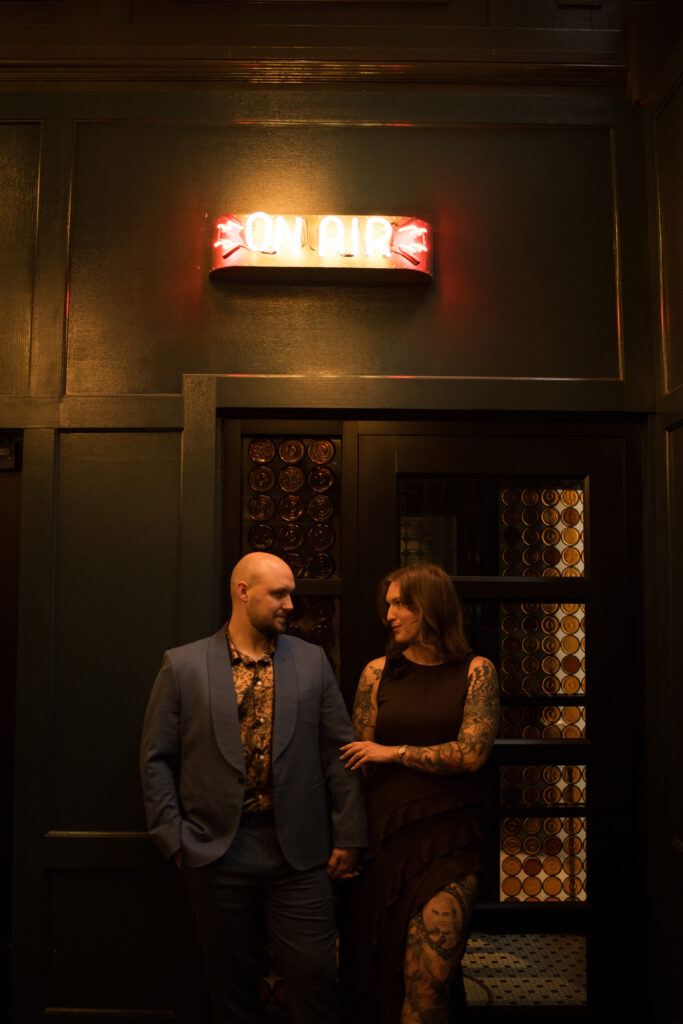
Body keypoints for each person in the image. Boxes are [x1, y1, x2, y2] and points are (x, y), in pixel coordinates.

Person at [140, 551, 366, 1024]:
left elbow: (338, 752)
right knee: (228, 990)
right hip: (215, 850)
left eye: (291, 594)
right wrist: (173, 839)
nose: (290, 604)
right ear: (243, 592)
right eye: (279, 594)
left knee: (317, 980)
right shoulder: (183, 666)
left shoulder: (312, 661)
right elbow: (156, 758)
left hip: (301, 855)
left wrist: (348, 834)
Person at [340, 563, 499, 1024]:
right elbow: (355, 761)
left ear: (430, 608)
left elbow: (471, 754)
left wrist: (392, 753)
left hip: (449, 840)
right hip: (385, 840)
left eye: (400, 603)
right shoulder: (377, 673)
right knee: (377, 975)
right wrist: (347, 840)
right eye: (387, 604)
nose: (389, 614)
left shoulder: (476, 671)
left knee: (429, 989)